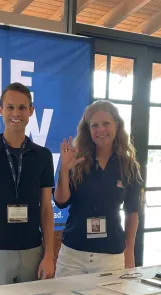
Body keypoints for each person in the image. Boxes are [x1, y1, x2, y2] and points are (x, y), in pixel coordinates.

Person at [0, 82, 56, 287]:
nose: (16, 113)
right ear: (0, 110)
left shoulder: (43, 156)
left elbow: (46, 209)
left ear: (31, 111)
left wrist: (49, 253)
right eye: (10, 107)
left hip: (33, 251)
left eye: (22, 107)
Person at [54, 100, 142, 277]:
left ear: (116, 126)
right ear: (88, 130)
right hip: (73, 253)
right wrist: (64, 170)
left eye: (106, 124)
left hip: (110, 254)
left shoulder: (128, 165)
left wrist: (130, 250)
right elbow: (61, 201)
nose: (101, 130)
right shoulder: (75, 160)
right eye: (94, 125)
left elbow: (132, 212)